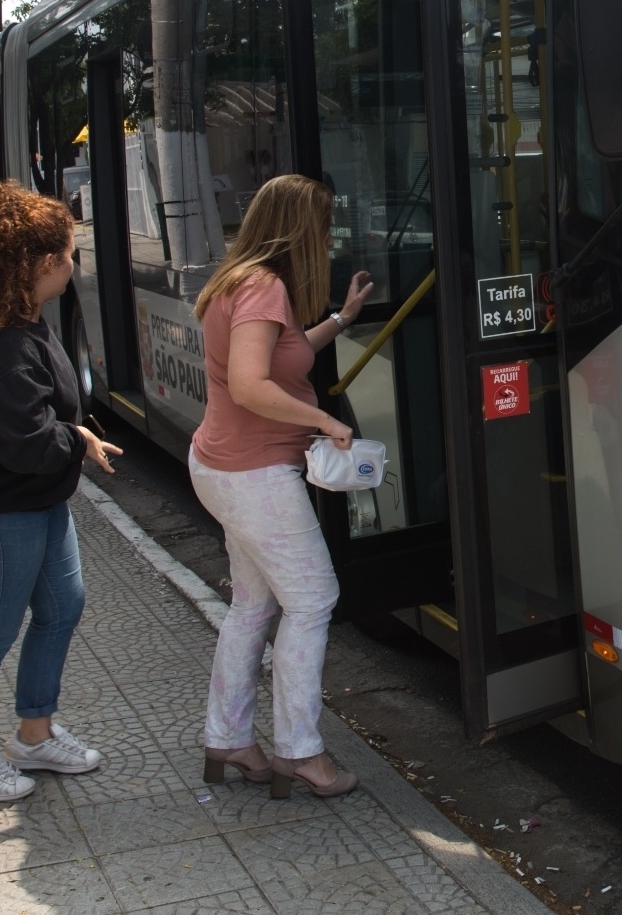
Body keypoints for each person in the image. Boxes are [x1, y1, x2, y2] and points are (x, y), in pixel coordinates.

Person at [0, 181, 122, 803]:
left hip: (33, 501)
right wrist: (78, 440)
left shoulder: (23, 321)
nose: (75, 263)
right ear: (46, 264)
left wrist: (68, 434)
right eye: (70, 253)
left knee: (63, 607)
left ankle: (33, 736)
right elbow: (28, 443)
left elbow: (39, 431)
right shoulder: (6, 346)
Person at [190, 173, 373, 798]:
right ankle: (300, 752)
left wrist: (339, 321)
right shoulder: (265, 288)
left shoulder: (240, 281)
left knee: (254, 603)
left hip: (223, 464)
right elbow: (250, 383)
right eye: (322, 225)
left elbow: (281, 355)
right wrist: (324, 420)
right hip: (255, 473)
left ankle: (229, 737)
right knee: (313, 599)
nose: (327, 238)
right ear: (298, 228)